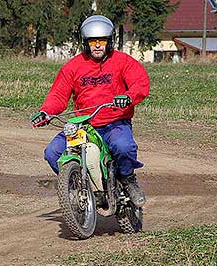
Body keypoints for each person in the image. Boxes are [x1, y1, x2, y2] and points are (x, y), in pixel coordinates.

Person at [31, 15, 149, 207]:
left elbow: (140, 83)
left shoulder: (123, 62)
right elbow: (58, 96)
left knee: (123, 147)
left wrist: (128, 97)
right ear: (85, 43)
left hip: (115, 122)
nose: (97, 46)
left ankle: (128, 179)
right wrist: (46, 112)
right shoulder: (73, 67)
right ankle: (77, 185)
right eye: (92, 41)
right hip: (84, 126)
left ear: (109, 42)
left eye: (101, 41)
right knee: (52, 152)